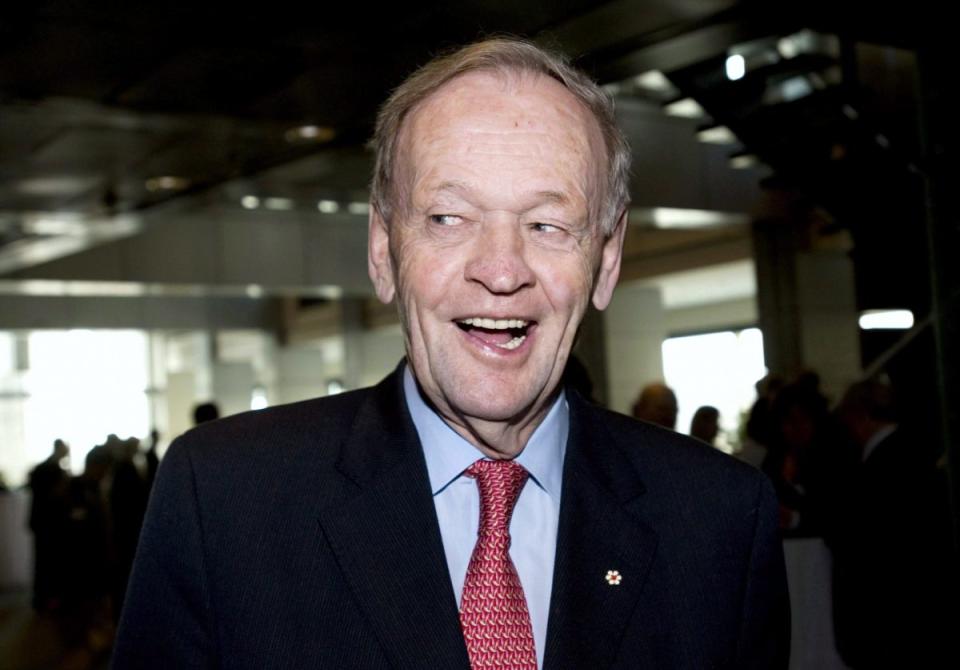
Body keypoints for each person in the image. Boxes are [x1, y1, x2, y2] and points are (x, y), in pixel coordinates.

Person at [113, 37, 789, 669]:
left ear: (606, 262)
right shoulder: (226, 501)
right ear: (384, 251)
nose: (501, 270)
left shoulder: (721, 522)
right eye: (448, 218)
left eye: (547, 225)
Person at [831, 379, 956, 668]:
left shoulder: (874, 469)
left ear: (856, 416)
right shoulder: (922, 450)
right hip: (928, 600)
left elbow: (863, 544)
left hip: (891, 609)